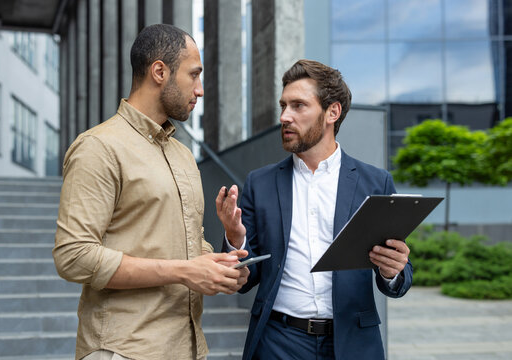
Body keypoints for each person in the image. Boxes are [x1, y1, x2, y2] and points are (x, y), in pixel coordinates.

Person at [53, 24, 249, 360]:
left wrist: (228, 253)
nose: (200, 90)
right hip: (123, 350)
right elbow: (73, 255)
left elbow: (185, 249)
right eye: (194, 75)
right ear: (159, 71)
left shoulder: (183, 156)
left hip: (187, 348)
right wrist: (184, 271)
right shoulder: (98, 147)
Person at [216, 59, 413, 360]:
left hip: (352, 343)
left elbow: (400, 278)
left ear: (332, 112)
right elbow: (245, 279)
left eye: (298, 106)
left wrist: (393, 271)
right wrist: (235, 238)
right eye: (283, 106)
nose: (284, 117)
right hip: (277, 342)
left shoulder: (375, 182)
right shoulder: (259, 183)